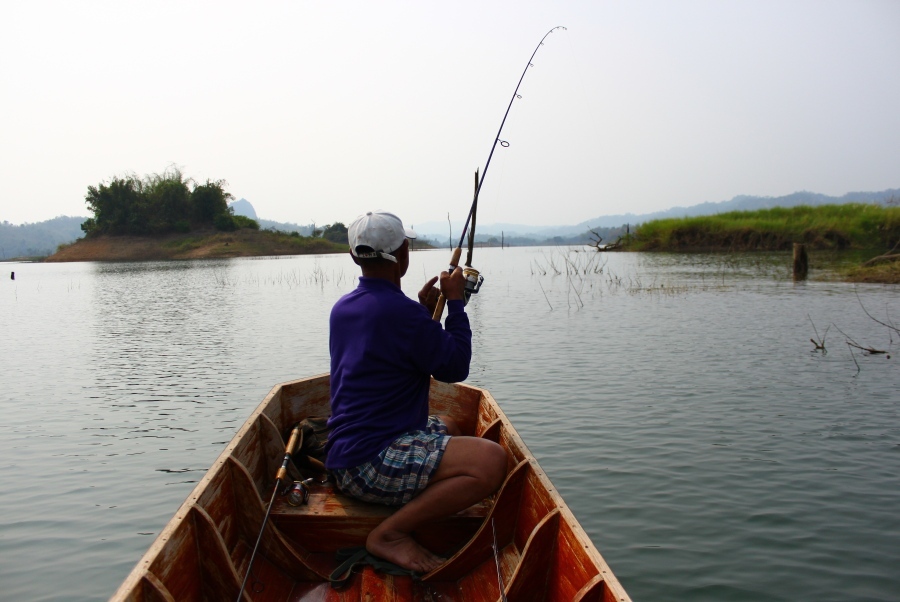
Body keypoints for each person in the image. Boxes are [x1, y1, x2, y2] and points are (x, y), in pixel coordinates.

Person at [325, 210, 508, 573]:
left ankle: (413, 498)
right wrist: (454, 303)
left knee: (452, 425)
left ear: (353, 256)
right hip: (367, 463)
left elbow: (394, 348)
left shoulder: (343, 309)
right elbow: (454, 367)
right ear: (404, 254)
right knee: (491, 461)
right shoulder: (401, 314)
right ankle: (389, 534)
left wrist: (425, 315)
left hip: (345, 453)